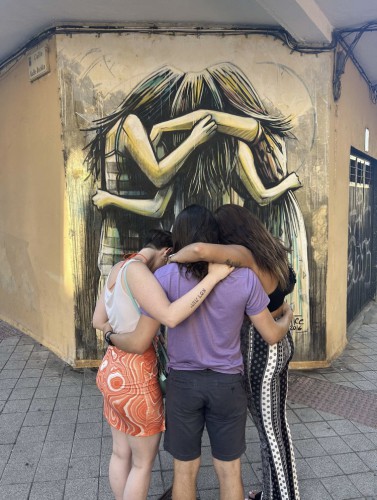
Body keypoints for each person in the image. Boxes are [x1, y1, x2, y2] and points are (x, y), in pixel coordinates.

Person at [108, 205, 293, 500]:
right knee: (230, 469)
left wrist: (110, 333)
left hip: (183, 385)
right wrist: (286, 321)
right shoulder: (244, 279)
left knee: (184, 470)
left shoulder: (165, 277)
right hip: (228, 385)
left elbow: (145, 332)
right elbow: (270, 334)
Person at [169, 204, 300, 500]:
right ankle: (273, 492)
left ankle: (284, 496)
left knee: (271, 432)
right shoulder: (271, 253)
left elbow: (201, 249)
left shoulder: (245, 255)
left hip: (261, 348)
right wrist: (287, 317)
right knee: (273, 428)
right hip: (279, 343)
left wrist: (173, 255)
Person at [92, 228, 233, 500]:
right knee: (142, 463)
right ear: (166, 252)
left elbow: (98, 320)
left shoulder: (118, 268)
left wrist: (115, 333)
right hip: (136, 376)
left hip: (112, 370)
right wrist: (213, 278)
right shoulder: (140, 273)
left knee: (120, 452)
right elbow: (168, 317)